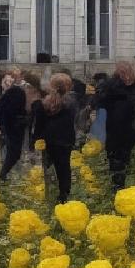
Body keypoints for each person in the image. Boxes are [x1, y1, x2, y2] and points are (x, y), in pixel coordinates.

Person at [98, 63, 135, 191]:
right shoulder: (131, 87)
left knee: (116, 159)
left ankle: (118, 186)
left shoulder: (111, 87)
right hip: (125, 129)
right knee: (122, 158)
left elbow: (101, 104)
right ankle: (120, 185)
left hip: (117, 129)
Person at [31, 74, 77, 202]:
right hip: (66, 140)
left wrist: (35, 140)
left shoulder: (44, 103)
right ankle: (64, 194)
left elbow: (39, 124)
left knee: (49, 166)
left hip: (50, 140)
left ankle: (50, 191)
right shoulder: (71, 103)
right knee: (64, 167)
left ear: (52, 86)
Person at [0, 71, 28, 180]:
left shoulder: (16, 92)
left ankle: (4, 173)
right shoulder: (16, 92)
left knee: (14, 152)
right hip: (14, 125)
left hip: (12, 125)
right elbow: (5, 110)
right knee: (14, 152)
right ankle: (4, 174)